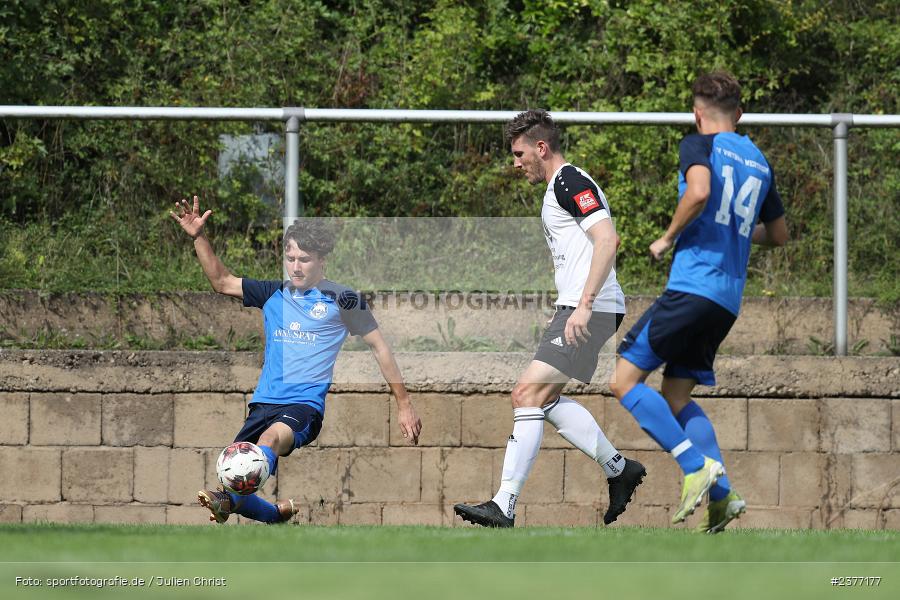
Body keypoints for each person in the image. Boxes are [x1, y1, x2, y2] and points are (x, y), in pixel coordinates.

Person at [609, 71, 789, 532]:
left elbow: (700, 190)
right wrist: (739, 230)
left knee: (624, 380)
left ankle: (694, 466)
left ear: (697, 113)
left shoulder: (699, 145)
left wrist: (667, 237)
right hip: (727, 300)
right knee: (675, 394)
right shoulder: (759, 161)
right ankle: (723, 497)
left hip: (693, 287)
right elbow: (780, 235)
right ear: (740, 113)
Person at [170, 196, 422, 524]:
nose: (296, 266)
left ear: (322, 261)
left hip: (304, 407)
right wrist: (198, 236)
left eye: (304, 259)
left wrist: (404, 403)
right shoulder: (273, 293)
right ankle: (275, 515)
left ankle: (229, 499)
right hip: (263, 403)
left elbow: (380, 348)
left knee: (267, 443)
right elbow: (222, 282)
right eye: (290, 258)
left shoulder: (343, 299)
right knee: (236, 481)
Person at [454, 110, 645, 528]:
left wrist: (584, 305)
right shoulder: (559, 186)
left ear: (542, 148)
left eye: (520, 153)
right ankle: (618, 469)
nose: (516, 162)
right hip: (581, 306)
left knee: (526, 395)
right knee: (545, 399)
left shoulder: (569, 181)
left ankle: (503, 505)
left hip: (588, 308)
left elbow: (608, 239)